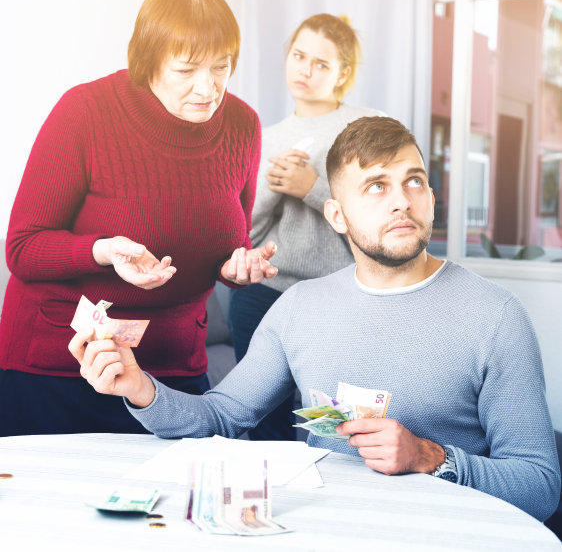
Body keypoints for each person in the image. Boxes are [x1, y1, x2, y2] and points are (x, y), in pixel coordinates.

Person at [70, 116, 560, 522]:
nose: (401, 200)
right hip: (325, 534)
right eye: (375, 186)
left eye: (414, 181)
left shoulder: (495, 317)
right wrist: (139, 388)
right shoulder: (301, 307)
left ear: (431, 198)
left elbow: (540, 486)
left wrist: (431, 458)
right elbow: (220, 417)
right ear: (336, 214)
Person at [0, 0, 278, 437]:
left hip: (172, 368)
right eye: (186, 70)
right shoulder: (85, 112)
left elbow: (230, 242)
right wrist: (104, 250)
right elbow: (23, 248)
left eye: (220, 68)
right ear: (148, 62)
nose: (207, 88)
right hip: (63, 362)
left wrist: (237, 267)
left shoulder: (242, 125)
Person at [229, 13, 386, 440]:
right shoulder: (265, 136)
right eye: (299, 56)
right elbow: (247, 232)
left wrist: (312, 188)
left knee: (342, 432)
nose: (306, 70)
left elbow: (381, 218)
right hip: (266, 298)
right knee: (264, 427)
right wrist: (275, 188)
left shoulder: (366, 128)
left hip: (343, 300)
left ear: (343, 73)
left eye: (321, 63)